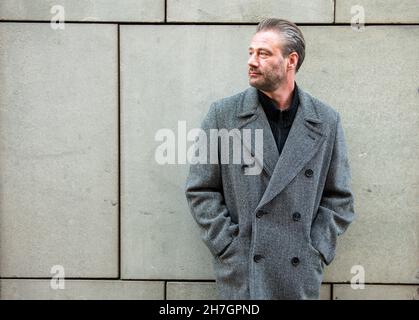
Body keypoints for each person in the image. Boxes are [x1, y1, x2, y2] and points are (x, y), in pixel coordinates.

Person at [184, 18, 355, 300]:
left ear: (291, 60)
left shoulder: (325, 121)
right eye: (251, 52)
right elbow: (201, 189)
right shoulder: (224, 115)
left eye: (263, 53)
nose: (252, 61)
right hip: (245, 272)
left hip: (298, 272)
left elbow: (340, 198)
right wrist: (228, 246)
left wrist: (316, 249)